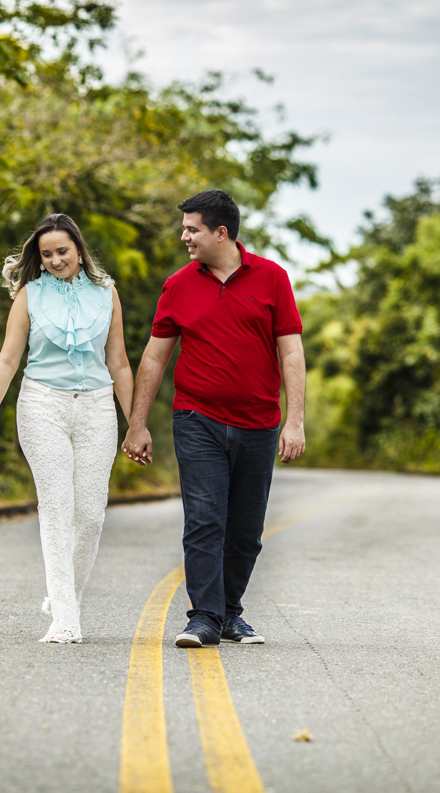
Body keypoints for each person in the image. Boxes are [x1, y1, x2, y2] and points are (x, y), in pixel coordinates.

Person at [122, 189, 306, 648]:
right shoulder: (179, 284)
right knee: (205, 520)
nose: (184, 235)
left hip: (259, 422)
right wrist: (137, 423)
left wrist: (295, 420)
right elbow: (154, 358)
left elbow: (291, 351)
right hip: (197, 419)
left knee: (246, 529)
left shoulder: (272, 279)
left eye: (192, 228)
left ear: (220, 232)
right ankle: (203, 617)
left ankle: (230, 614)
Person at [0, 213, 134, 644]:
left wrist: (135, 422)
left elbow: (118, 362)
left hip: (98, 408)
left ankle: (63, 594)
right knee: (57, 507)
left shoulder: (107, 294)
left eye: (62, 251)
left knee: (91, 514)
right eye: (46, 255)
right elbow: (8, 358)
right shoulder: (29, 295)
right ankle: (65, 616)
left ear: (79, 250)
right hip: (42, 404)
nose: (54, 260)